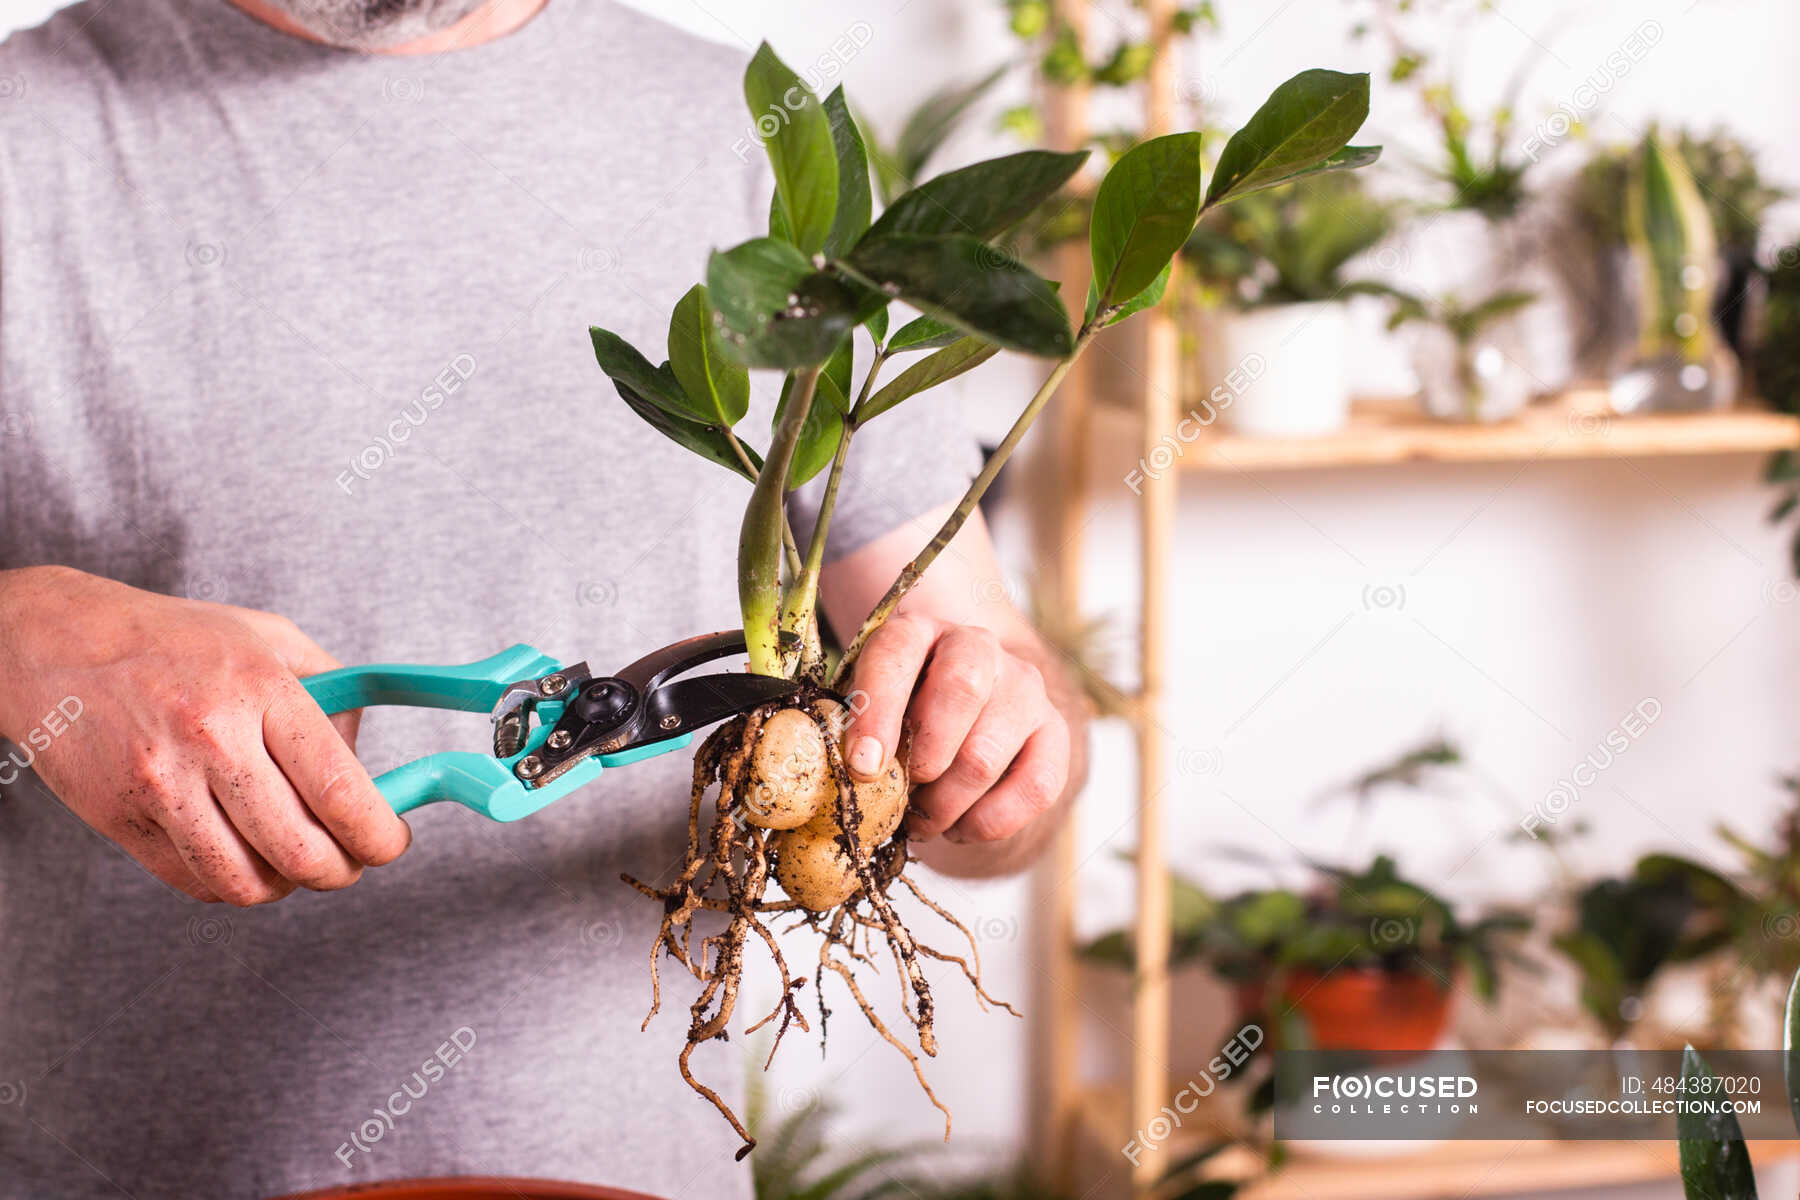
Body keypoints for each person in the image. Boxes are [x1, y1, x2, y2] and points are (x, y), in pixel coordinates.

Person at [0, 1, 1089, 1197]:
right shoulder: (25, 135)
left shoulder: (760, 150)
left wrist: (995, 749)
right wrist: (23, 635)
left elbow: (1002, 735)